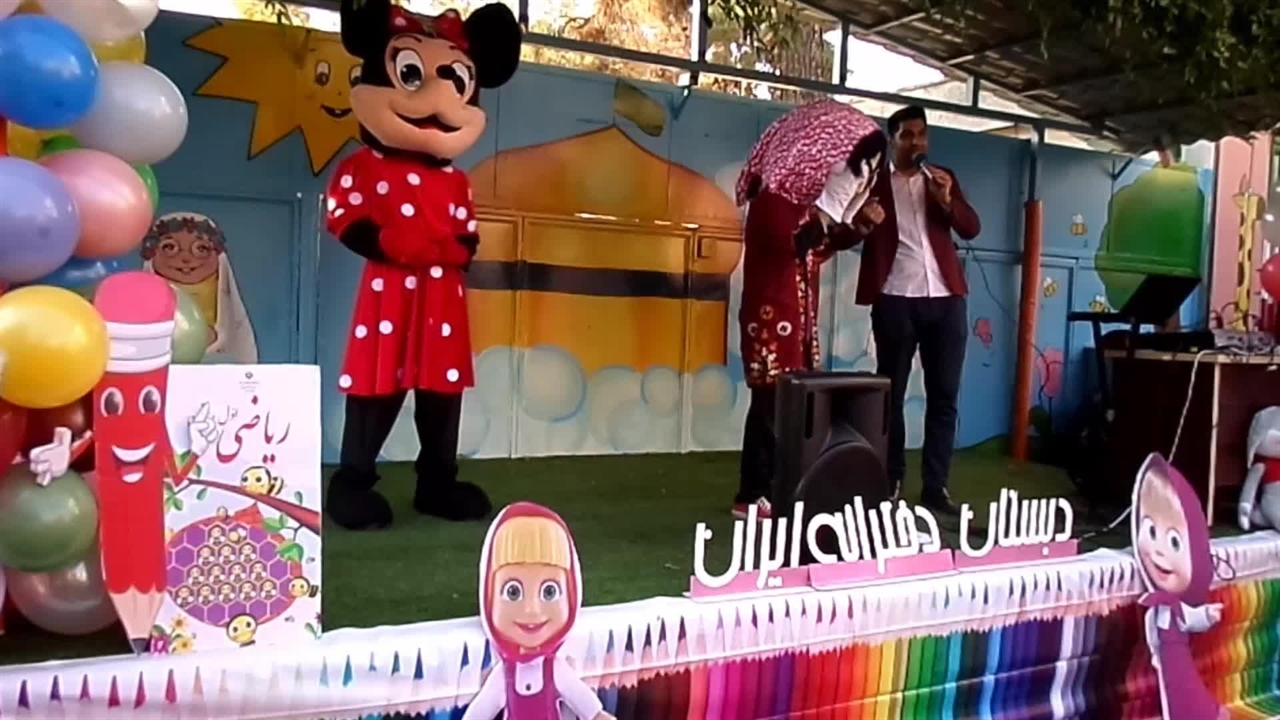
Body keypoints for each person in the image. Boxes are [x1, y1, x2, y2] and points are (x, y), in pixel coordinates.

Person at [324, 0, 522, 530]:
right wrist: (389, 242)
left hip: (442, 301)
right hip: (387, 296)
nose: (436, 97)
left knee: (442, 391)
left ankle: (437, 481)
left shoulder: (456, 181)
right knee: (376, 387)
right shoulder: (363, 166)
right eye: (411, 74)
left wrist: (452, 250)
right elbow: (344, 217)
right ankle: (352, 481)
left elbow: (467, 235)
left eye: (455, 81)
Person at [732, 100, 887, 520]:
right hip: (771, 317)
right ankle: (751, 494)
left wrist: (858, 226)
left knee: (786, 404)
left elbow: (816, 250)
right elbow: (792, 244)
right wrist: (828, 216)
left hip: (796, 318)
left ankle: (774, 489)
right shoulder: (773, 201)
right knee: (769, 404)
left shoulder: (798, 207)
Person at [852, 105, 980, 515]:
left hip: (946, 300)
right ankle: (890, 482)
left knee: (945, 397)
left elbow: (971, 228)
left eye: (922, 134)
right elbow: (850, 232)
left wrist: (948, 200)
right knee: (891, 396)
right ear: (893, 140)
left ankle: (935, 487)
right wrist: (863, 221)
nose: (917, 142)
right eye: (907, 135)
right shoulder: (873, 183)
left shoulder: (941, 178)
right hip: (895, 299)